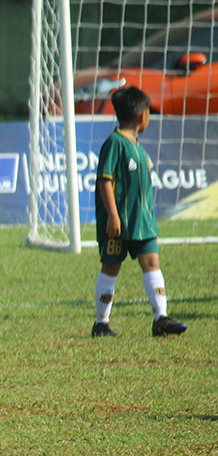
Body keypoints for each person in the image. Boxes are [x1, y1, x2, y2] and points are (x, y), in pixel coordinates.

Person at [91, 86, 187, 338]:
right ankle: (101, 323)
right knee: (111, 267)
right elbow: (104, 180)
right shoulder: (115, 143)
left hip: (142, 223)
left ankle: (161, 319)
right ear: (142, 115)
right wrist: (112, 215)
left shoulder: (138, 147)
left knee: (152, 262)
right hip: (119, 222)